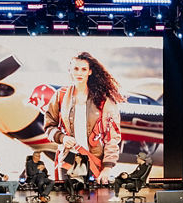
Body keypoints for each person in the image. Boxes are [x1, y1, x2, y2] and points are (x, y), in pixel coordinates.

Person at [44, 50, 123, 185]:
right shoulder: (60, 95)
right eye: (76, 68)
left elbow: (112, 136)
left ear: (90, 72)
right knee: (66, 202)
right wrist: (62, 137)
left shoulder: (104, 100)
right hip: (68, 161)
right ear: (70, 70)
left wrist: (107, 167)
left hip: (94, 162)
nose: (79, 73)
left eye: (83, 69)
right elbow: (49, 126)